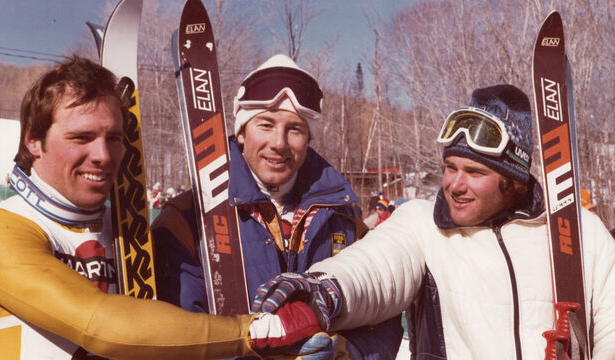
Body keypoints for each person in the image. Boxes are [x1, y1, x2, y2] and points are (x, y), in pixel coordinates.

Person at [0, 56, 322, 359]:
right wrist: (253, 333)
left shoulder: (130, 232)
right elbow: (99, 324)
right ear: (33, 139)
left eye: (114, 138)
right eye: (81, 137)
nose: (103, 155)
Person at [251, 85, 615, 359]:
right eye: (449, 168)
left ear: (513, 180)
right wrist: (324, 290)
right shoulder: (423, 224)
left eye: (474, 171)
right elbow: (375, 267)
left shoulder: (579, 232)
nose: (455, 184)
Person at [152, 54, 403, 359]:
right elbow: (177, 335)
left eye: (294, 129)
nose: (279, 142)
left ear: (308, 138)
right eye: (266, 125)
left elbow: (382, 311)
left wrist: (350, 352)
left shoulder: (343, 217)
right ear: (241, 132)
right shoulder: (187, 219)